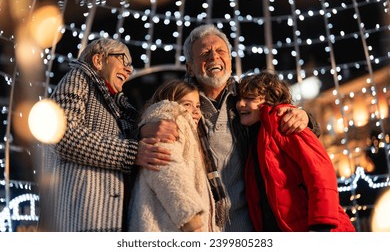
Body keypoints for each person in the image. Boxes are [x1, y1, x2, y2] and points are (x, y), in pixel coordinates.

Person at [139, 24, 321, 231]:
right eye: (205, 53)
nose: (213, 57)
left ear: (230, 60)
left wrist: (306, 118)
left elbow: (284, 118)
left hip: (253, 222)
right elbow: (152, 125)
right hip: (200, 224)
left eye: (220, 51)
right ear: (190, 67)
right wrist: (143, 130)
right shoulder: (178, 101)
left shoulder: (248, 98)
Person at [38, 38, 170, 232]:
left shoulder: (115, 105)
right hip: (78, 221)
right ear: (98, 61)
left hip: (105, 222)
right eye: (124, 61)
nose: (129, 70)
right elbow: (61, 135)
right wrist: (131, 153)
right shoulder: (79, 78)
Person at [236, 72, 355, 232]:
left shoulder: (284, 122)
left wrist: (321, 224)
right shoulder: (254, 137)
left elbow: (319, 170)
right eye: (240, 99)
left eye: (249, 98)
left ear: (269, 100)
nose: (240, 104)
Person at [128, 80, 220, 232]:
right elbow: (166, 169)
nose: (196, 111)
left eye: (197, 105)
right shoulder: (169, 121)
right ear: (170, 102)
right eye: (187, 104)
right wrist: (192, 220)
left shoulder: (189, 130)